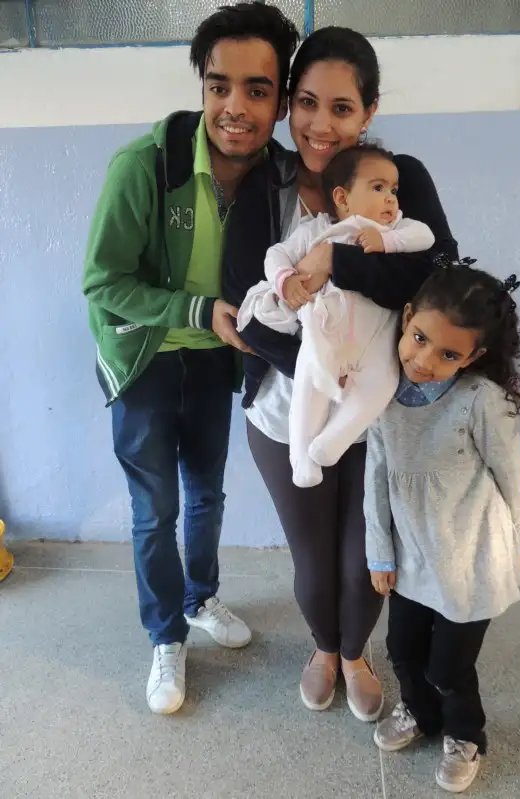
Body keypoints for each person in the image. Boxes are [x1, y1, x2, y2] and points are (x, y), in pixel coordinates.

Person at [221, 27, 459, 722]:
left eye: (342, 107)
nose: (320, 124)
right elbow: (246, 307)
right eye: (306, 103)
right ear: (289, 106)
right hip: (285, 407)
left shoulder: (397, 178)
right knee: (314, 557)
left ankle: (355, 653)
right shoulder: (265, 185)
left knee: (365, 557)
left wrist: (337, 262)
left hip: (379, 409)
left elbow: (433, 277)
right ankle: (325, 648)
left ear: (369, 111)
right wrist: (320, 371)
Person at [82, 2, 299, 715]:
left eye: (256, 90)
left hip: (216, 361)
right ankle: (165, 635)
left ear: (279, 101)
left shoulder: (281, 179)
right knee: (156, 509)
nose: (234, 107)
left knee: (206, 493)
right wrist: (197, 311)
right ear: (202, 86)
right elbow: (104, 283)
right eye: (218, 85)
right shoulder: (145, 166)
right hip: (143, 358)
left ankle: (200, 597)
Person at [365, 260, 520, 793]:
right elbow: (376, 478)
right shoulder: (382, 395)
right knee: (402, 649)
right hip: (413, 554)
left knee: (449, 668)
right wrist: (379, 553)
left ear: (474, 357)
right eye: (419, 339)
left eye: (449, 355)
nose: (424, 361)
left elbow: (511, 476)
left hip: (471, 557)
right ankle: (420, 712)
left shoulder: (480, 402)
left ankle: (465, 734)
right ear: (407, 317)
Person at [237, 143, 434, 488]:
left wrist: (387, 243)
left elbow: (426, 236)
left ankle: (330, 443)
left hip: (375, 339)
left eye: (394, 190)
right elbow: (275, 255)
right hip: (326, 328)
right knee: (311, 378)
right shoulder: (316, 230)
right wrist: (286, 281)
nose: (390, 199)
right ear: (342, 198)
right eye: (378, 188)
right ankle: (302, 457)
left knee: (382, 383)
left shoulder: (394, 230)